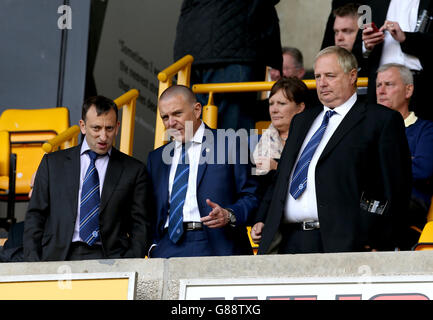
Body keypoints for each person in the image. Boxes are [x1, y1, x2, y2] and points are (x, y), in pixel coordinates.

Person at [251, 46, 412, 254]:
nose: (322, 83)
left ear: (352, 75)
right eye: (318, 76)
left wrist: (377, 241)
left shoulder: (380, 119)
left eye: (330, 75)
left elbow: (395, 188)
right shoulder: (302, 120)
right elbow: (282, 179)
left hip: (344, 243)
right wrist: (265, 219)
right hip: (288, 241)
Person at [23, 96, 152, 261]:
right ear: (83, 126)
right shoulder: (53, 164)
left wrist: (130, 261)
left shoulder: (134, 170)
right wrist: (34, 263)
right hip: (57, 257)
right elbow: (35, 215)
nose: (103, 137)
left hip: (110, 260)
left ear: (118, 127)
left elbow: (140, 224)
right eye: (96, 128)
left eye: (109, 128)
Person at [146, 85, 259, 258]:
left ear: (197, 110)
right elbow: (150, 210)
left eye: (177, 114)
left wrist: (229, 215)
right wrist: (154, 246)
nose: (171, 122)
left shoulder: (229, 143)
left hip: (217, 244)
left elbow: (252, 196)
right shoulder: (157, 158)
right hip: (167, 246)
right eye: (165, 117)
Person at [173, 0, 282, 132]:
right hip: (233, 49)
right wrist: (276, 63)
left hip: (189, 53)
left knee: (193, 127)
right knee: (232, 129)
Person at [376, 63, 433, 248]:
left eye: (389, 84)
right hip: (372, 203)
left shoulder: (426, 130)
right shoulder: (366, 131)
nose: (381, 91)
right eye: (378, 85)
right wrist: (405, 161)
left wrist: (376, 167)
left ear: (408, 90)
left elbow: (424, 169)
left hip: (407, 204)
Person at [361, 0, 433, 120]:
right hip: (380, 83)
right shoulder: (373, 3)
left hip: (421, 86)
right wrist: (367, 46)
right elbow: (356, 47)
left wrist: (406, 38)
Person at [252, 77, 309, 178]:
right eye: (271, 103)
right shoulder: (259, 143)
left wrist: (276, 167)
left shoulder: (312, 139)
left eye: (282, 103)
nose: (274, 110)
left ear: (300, 107)